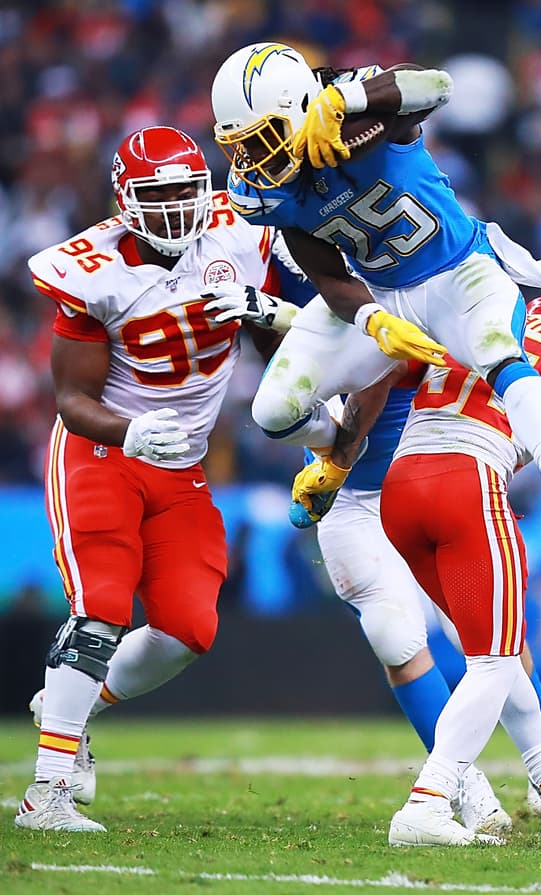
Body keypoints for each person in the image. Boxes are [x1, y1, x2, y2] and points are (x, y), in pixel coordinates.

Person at [297, 294, 541, 845]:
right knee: (495, 659)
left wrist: (338, 460)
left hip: (401, 489)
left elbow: (381, 375)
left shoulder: (468, 320)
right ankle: (427, 804)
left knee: (494, 653)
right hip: (467, 483)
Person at [209, 44, 541, 553]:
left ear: (302, 105)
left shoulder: (359, 115)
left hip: (457, 272)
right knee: (274, 411)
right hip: (376, 289)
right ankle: (337, 452)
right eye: (241, 145)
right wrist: (372, 319)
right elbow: (327, 275)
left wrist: (347, 101)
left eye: (262, 138)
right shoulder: (265, 192)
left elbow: (435, 84)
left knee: (503, 361)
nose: (253, 158)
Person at [15, 126, 281, 831]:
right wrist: (128, 430)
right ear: (124, 199)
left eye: (187, 190)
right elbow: (71, 397)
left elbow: (287, 340)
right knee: (101, 609)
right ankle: (46, 795)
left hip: (180, 464)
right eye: (159, 195)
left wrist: (269, 313)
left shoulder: (241, 232)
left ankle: (74, 709)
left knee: (190, 627)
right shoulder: (92, 268)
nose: (176, 207)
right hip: (102, 451)